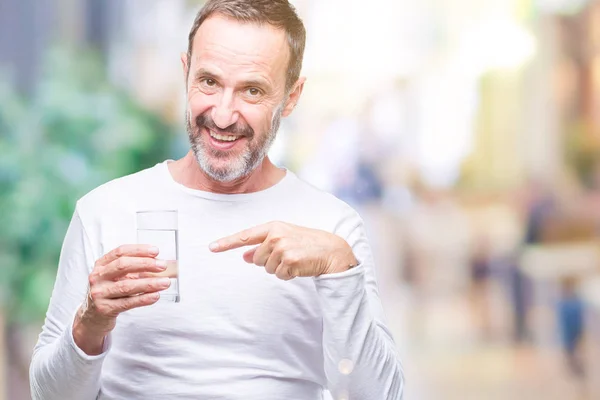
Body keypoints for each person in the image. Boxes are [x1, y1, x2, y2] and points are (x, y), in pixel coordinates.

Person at [28, 1, 404, 399]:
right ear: (186, 71)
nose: (223, 115)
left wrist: (338, 269)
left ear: (291, 97)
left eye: (252, 90)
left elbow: (378, 395)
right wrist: (90, 323)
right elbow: (49, 395)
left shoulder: (331, 227)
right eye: (208, 81)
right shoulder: (104, 211)